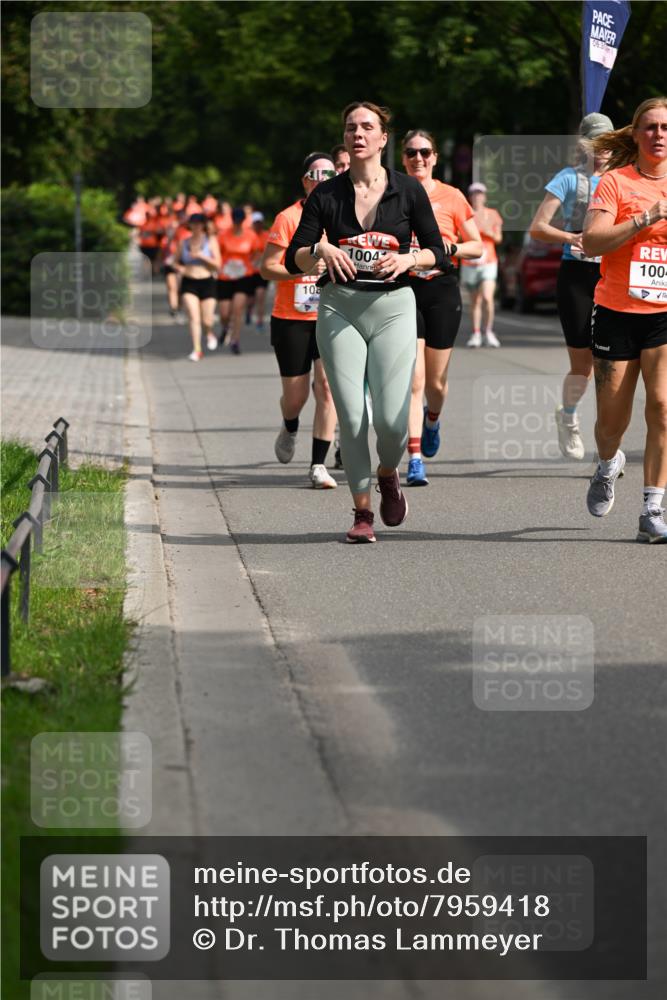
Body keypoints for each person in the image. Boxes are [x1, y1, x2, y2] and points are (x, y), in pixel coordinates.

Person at [285, 101, 448, 542]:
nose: (358, 134)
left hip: (394, 306)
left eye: (367, 127)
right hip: (339, 307)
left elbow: (439, 251)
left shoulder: (408, 191)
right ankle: (361, 512)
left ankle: (389, 471)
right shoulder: (326, 195)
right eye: (351, 127)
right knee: (352, 416)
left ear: (382, 139)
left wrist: (410, 257)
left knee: (394, 422)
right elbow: (292, 255)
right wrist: (320, 250)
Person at [582, 96, 667, 543]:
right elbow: (592, 241)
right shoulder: (615, 183)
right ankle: (608, 462)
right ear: (635, 134)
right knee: (610, 421)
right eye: (650, 127)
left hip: (663, 314)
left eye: (665, 127)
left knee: (663, 407)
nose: (658, 134)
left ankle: (653, 507)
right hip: (616, 310)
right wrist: (646, 218)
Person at [402, 129, 484, 485]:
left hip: (442, 290)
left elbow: (477, 245)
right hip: (404, 290)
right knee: (414, 379)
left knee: (436, 382)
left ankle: (432, 419)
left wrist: (447, 249)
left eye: (424, 152)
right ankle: (415, 457)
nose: (418, 159)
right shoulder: (392, 195)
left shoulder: (451, 197)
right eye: (411, 153)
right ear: (403, 158)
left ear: (434, 157)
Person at [530, 113, 613, 460]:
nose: (603, 148)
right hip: (577, 275)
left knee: (610, 363)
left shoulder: (624, 179)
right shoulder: (568, 179)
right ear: (585, 144)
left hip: (613, 274)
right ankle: (568, 417)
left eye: (608, 141)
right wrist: (571, 236)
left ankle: (609, 447)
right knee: (583, 365)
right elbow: (537, 227)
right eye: (596, 141)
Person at [261, 153, 339, 489]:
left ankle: (318, 465)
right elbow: (267, 267)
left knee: (327, 388)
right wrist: (301, 269)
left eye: (329, 174)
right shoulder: (288, 217)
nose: (322, 180)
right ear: (305, 180)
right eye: (315, 174)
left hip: (331, 315)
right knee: (296, 397)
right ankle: (290, 424)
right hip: (291, 317)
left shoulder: (343, 216)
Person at [461, 183, 503, 347]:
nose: (477, 197)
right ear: (470, 197)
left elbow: (498, 238)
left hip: (488, 262)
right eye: (474, 194)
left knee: (487, 297)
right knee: (475, 301)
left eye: (480, 194)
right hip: (470, 262)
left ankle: (488, 331)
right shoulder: (465, 213)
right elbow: (458, 236)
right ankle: (476, 333)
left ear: (484, 196)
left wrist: (487, 231)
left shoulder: (493, 214)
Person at [174, 213, 220, 361]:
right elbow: (174, 262)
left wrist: (201, 256)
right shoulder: (184, 242)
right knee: (194, 317)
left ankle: (209, 332)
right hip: (189, 282)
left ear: (203, 225)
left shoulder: (210, 241)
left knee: (207, 320)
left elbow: (218, 264)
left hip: (207, 281)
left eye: (199, 223)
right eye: (193, 223)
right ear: (190, 225)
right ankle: (197, 349)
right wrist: (180, 269)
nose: (196, 226)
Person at [217, 206, 261, 354]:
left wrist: (252, 263)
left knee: (237, 309)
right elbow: (218, 253)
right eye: (235, 220)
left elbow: (257, 252)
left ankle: (235, 340)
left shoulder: (250, 235)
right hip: (225, 276)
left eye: (239, 220)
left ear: (243, 220)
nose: (237, 223)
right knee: (224, 313)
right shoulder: (223, 235)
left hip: (243, 275)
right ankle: (225, 327)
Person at [247, 211, 270, 330]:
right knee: (250, 298)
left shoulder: (267, 235)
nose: (258, 225)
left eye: (259, 223)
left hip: (262, 271)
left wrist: (262, 258)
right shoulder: (248, 235)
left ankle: (260, 321)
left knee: (260, 296)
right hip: (250, 271)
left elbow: (269, 251)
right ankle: (249, 309)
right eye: (256, 223)